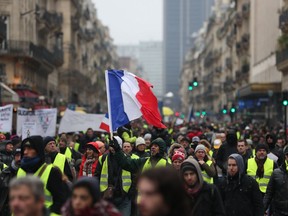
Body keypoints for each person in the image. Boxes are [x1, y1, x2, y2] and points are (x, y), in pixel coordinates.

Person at [17, 135, 69, 215]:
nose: (25, 152)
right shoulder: (21, 170)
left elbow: (61, 203)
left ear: (38, 150)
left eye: (30, 149)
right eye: (24, 149)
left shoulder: (52, 172)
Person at [94, 138, 133, 216]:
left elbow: (134, 177)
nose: (112, 147)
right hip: (108, 196)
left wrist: (130, 192)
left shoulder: (127, 158)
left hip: (124, 196)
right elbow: (97, 176)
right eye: (111, 145)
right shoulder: (103, 158)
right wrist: (100, 192)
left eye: (115, 145)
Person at [264, 147, 288, 216]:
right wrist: (262, 209)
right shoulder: (276, 173)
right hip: (278, 211)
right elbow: (269, 193)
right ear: (285, 156)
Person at [0, 148, 21, 215]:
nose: (19, 158)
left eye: (21, 155)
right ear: (14, 157)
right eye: (17, 155)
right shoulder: (5, 172)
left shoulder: (29, 172)